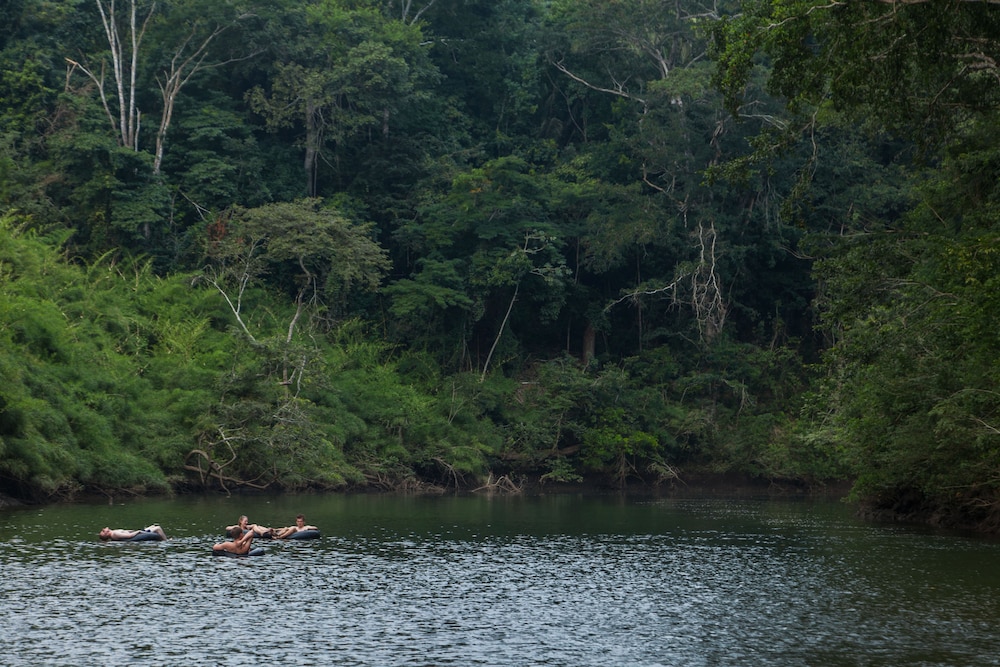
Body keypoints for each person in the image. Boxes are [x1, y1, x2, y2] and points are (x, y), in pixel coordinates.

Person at [99, 524, 167, 541]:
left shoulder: (113, 532)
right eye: (103, 531)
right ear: (106, 533)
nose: (103, 529)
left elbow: (126, 532)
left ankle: (163, 538)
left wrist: (131, 530)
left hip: (136, 533)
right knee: (158, 528)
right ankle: (165, 540)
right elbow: (129, 536)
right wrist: (138, 531)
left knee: (153, 526)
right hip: (137, 534)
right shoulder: (115, 534)